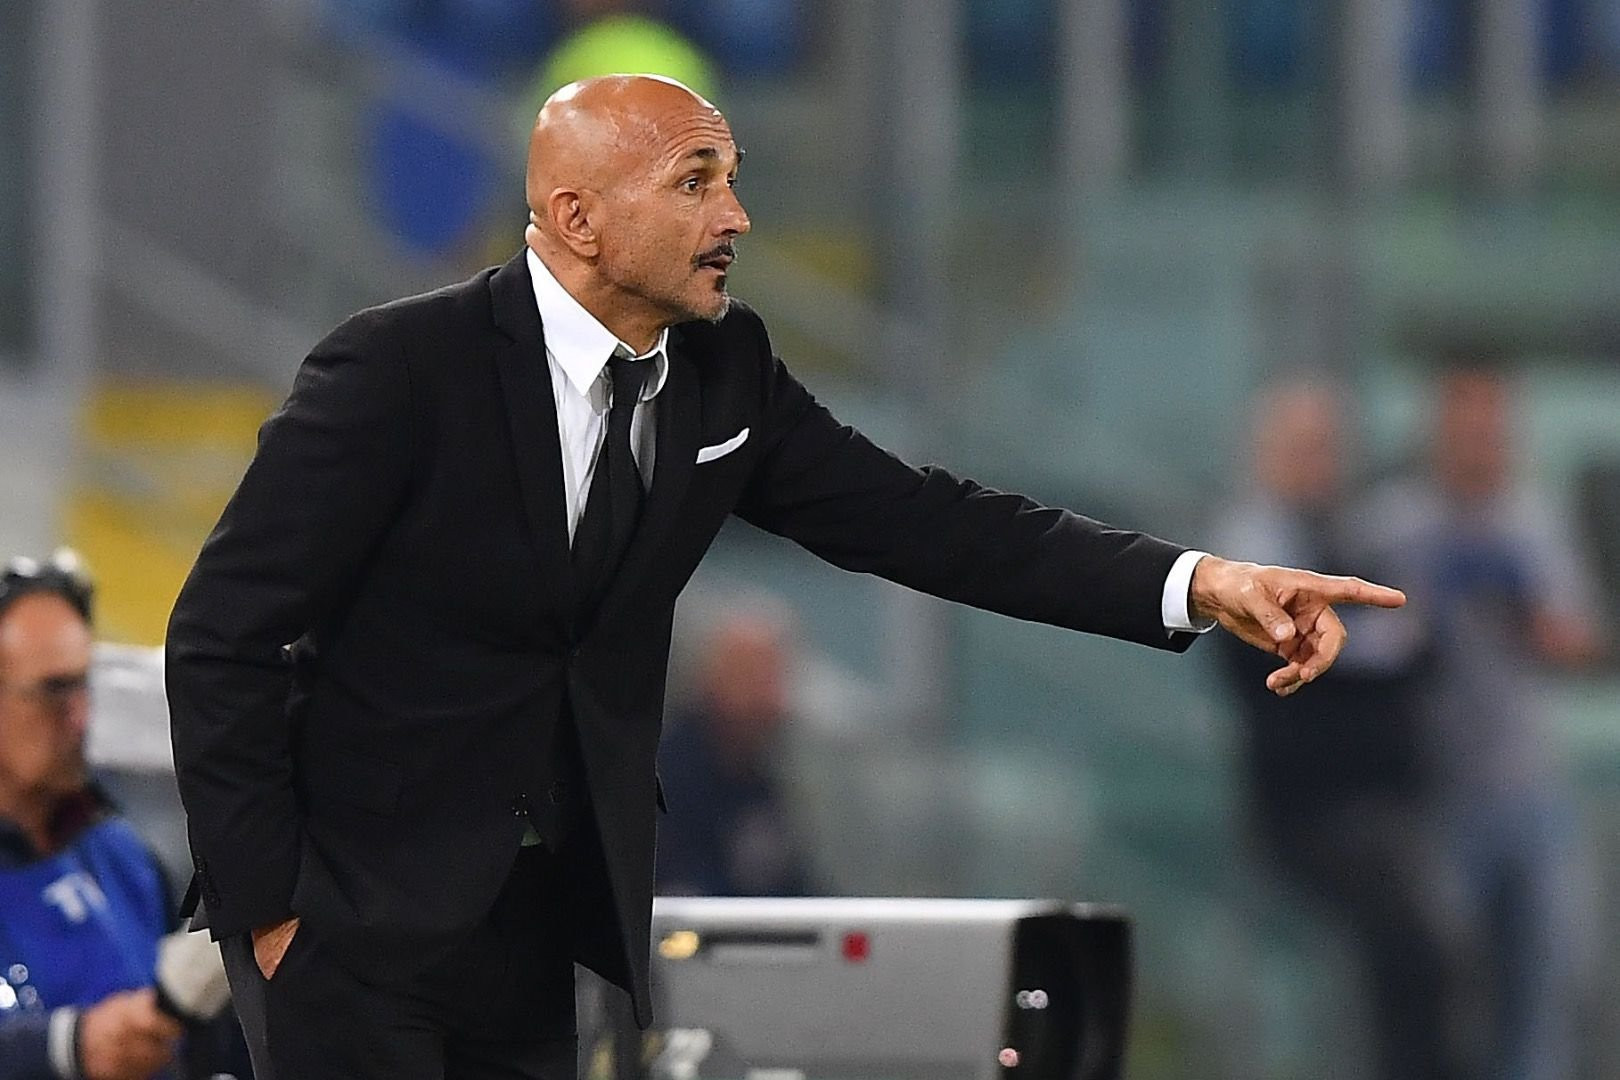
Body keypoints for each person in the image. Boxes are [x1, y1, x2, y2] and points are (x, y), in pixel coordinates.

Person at [165, 74, 1405, 1080]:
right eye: (695, 181)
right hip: (350, 925)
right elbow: (222, 632)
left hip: (549, 931)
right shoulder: (397, 370)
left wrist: (1198, 581)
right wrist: (271, 908)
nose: (737, 217)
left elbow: (929, 523)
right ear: (579, 219)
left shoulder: (726, 373)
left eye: (734, 179)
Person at [1213, 381, 1462, 1080]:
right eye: (1301, 448)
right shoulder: (1247, 562)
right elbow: (1282, 662)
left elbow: (1421, 644)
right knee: (1412, 949)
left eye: (1327, 448)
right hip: (1312, 810)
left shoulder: (1359, 545)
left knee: (1434, 953)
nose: (1317, 464)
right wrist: (1365, 658)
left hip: (1391, 800)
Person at [1363, 368, 1601, 1080]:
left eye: (1492, 432)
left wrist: (1524, 610)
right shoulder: (1393, 526)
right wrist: (1425, 615)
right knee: (1439, 981)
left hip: (1527, 783)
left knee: (1541, 984)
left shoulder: (1533, 522)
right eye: (1466, 432)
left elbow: (1578, 641)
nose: (1481, 446)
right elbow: (1362, 647)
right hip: (1432, 788)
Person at [0, 553, 192, 1080]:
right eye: (54, 691)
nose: (81, 717)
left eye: (85, 685)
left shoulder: (122, 856)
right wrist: (67, 1047)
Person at [657, 609, 814, 897]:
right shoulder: (665, 780)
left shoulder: (759, 779)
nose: (774, 699)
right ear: (713, 677)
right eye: (757, 676)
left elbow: (794, 887)